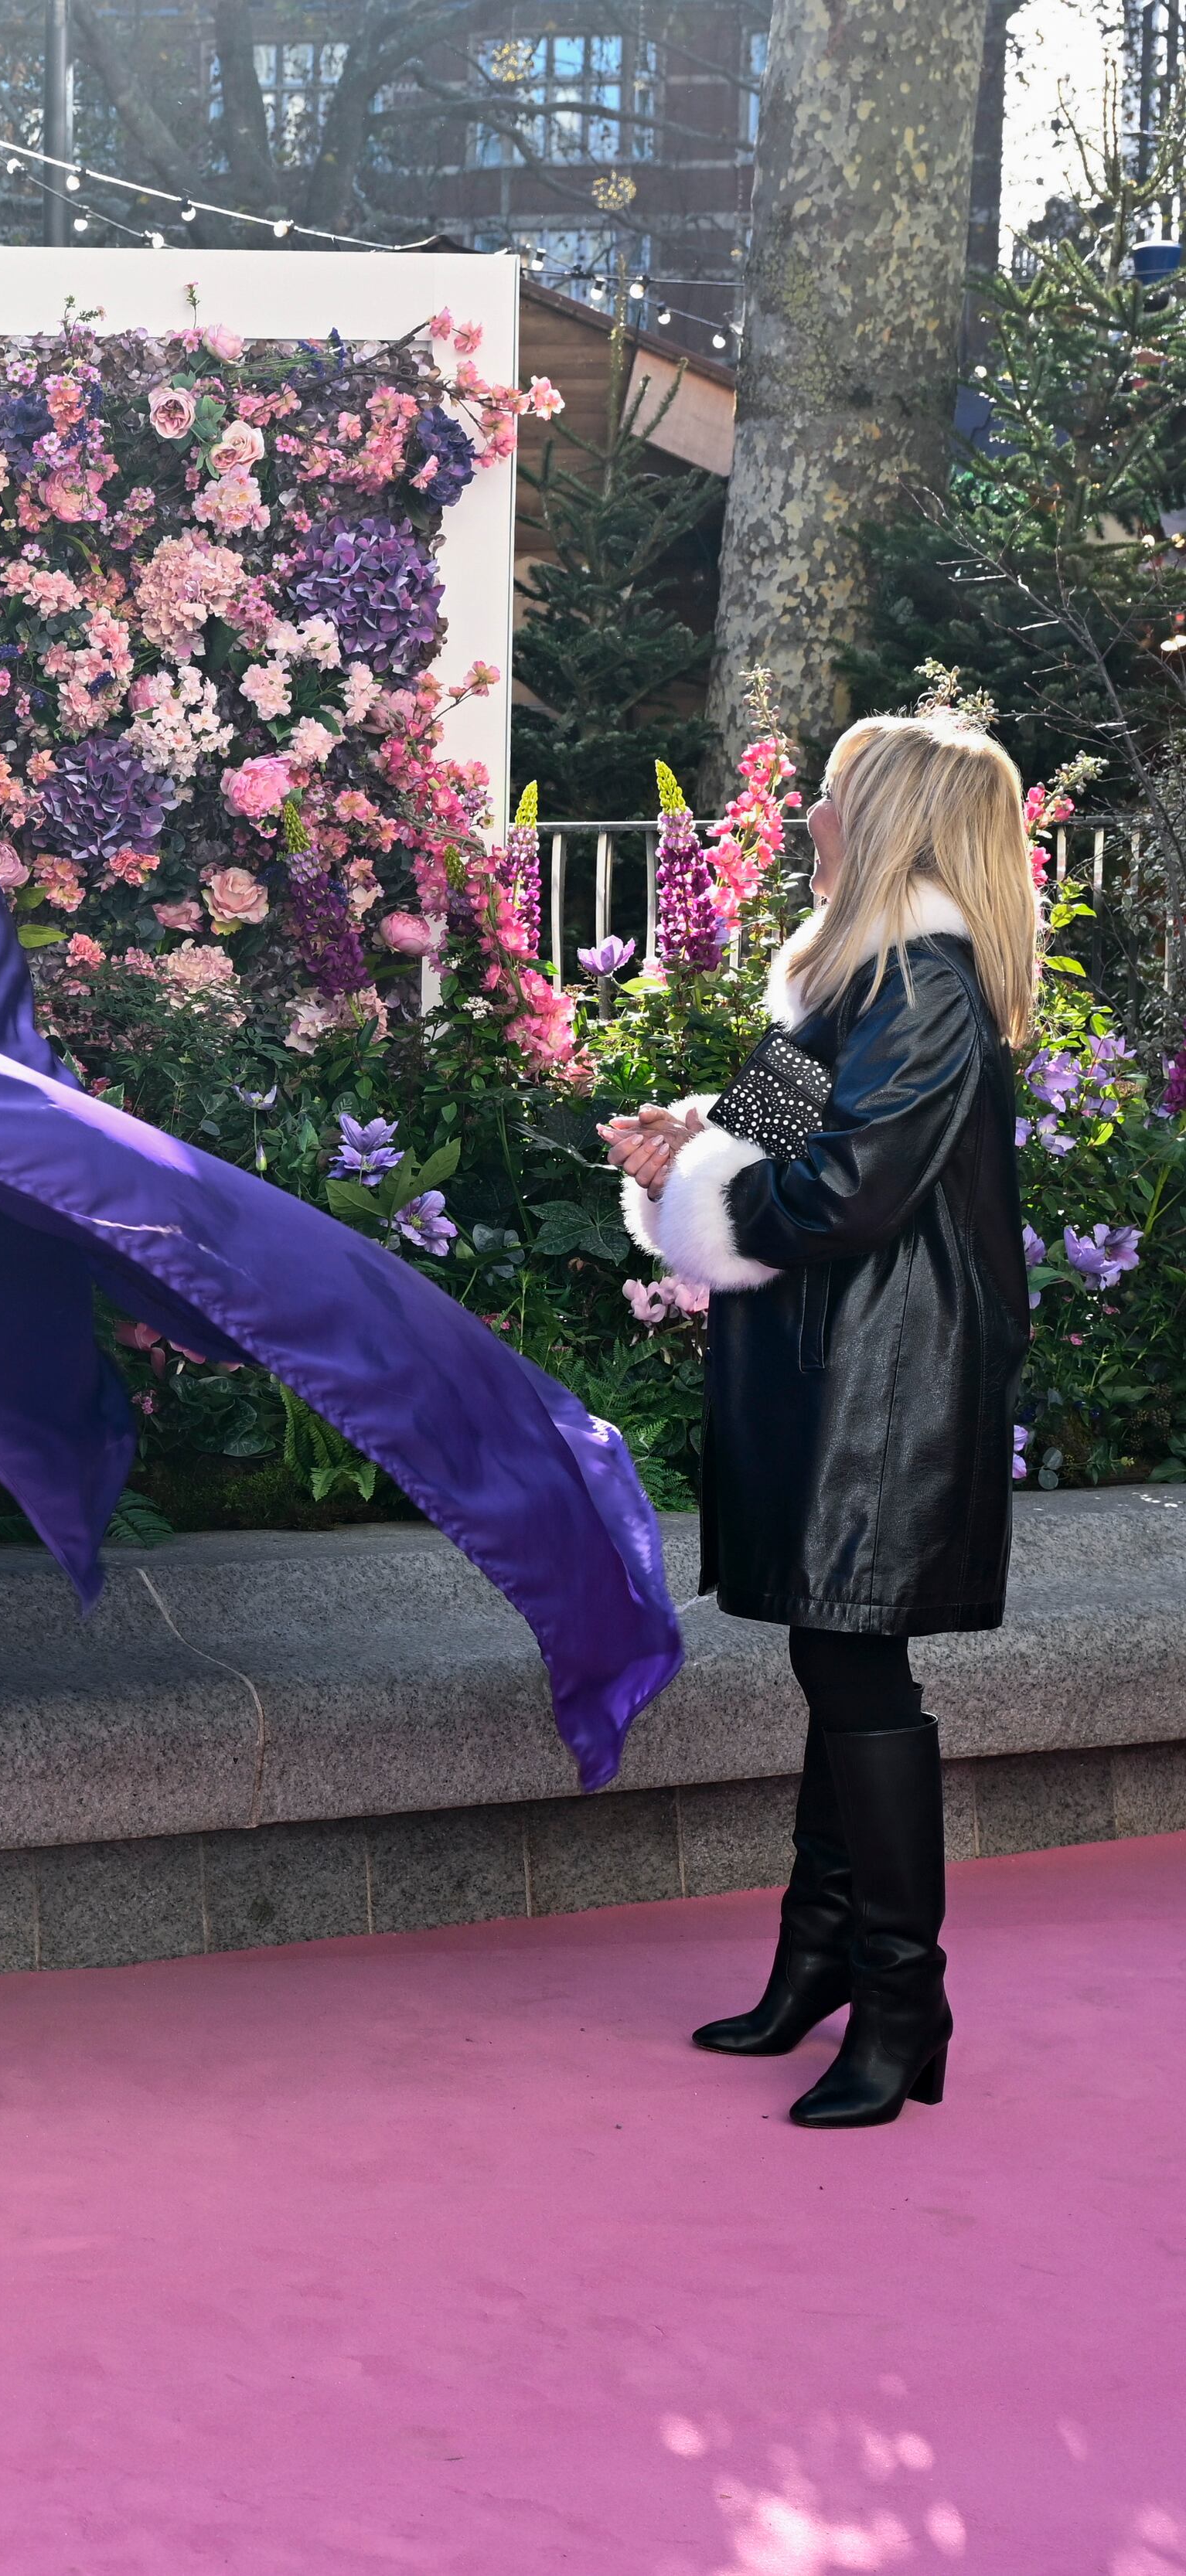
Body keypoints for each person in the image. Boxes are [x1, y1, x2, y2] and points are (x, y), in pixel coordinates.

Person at [605, 711, 1035, 2131]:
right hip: (844, 1364)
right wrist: (686, 1148)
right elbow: (767, 1137)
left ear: (891, 822)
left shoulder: (919, 977)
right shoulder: (851, 979)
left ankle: (904, 1996)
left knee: (857, 1668)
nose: (807, 822)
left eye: (834, 798)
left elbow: (845, 1189)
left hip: (885, 1378)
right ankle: (824, 1961)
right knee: (833, 1653)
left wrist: (712, 1198)